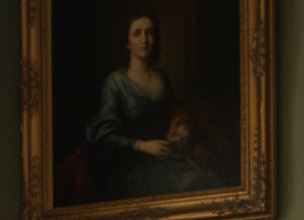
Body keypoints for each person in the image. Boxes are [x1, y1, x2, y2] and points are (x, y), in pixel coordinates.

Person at [83, 9, 223, 202]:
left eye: (149, 32)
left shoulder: (161, 77)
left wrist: (181, 127)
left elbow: (175, 113)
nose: (144, 39)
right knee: (184, 182)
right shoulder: (115, 82)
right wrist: (141, 145)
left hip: (165, 157)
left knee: (206, 178)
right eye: (137, 33)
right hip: (131, 166)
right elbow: (104, 136)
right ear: (127, 42)